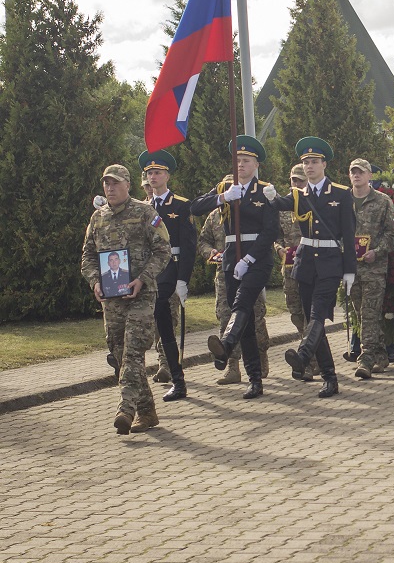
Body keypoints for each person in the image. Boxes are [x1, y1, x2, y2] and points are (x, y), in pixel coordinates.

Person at [81, 164, 172, 434]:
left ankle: (126, 409)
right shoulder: (98, 218)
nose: (110, 188)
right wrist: (95, 281)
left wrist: (143, 278)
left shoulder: (145, 213)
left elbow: (163, 250)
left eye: (115, 183)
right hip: (112, 300)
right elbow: (87, 257)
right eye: (106, 184)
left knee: (133, 351)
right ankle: (147, 411)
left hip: (141, 295)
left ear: (127, 185)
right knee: (120, 355)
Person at [191, 136, 280, 401]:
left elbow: (270, 232)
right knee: (247, 323)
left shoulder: (265, 191)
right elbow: (194, 207)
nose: (240, 165)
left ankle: (227, 344)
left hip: (258, 259)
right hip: (231, 258)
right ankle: (254, 380)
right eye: (237, 160)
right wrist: (222, 197)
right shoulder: (226, 188)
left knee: (242, 305)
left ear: (256, 165)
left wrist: (249, 260)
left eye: (246, 161)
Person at [267, 137, 356, 398]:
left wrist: (350, 270)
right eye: (305, 162)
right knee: (311, 318)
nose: (309, 167)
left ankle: (303, 354)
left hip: (330, 262)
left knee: (318, 315)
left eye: (314, 162)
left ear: (324, 164)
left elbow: (349, 235)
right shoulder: (298, 195)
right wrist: (271, 197)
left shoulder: (340, 193)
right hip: (305, 263)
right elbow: (280, 204)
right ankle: (329, 377)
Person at [138, 150, 197, 403]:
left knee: (163, 320)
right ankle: (175, 379)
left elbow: (189, 245)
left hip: (169, 269)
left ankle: (178, 381)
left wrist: (183, 279)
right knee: (160, 327)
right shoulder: (142, 208)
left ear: (167, 176)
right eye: (149, 173)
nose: (153, 177)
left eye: (157, 172)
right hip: (147, 271)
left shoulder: (181, 205)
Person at [197, 191, 269, 385]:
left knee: (254, 315)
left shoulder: (251, 210)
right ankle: (232, 366)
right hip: (225, 272)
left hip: (250, 268)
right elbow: (203, 241)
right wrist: (209, 252)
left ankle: (260, 354)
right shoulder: (215, 215)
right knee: (225, 315)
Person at [349, 158, 394, 379]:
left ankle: (366, 359)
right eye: (353, 172)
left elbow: (392, 234)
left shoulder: (382, 201)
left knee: (369, 312)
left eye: (361, 172)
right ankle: (380, 354)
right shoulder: (342, 200)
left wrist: (376, 252)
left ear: (370, 175)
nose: (356, 175)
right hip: (350, 267)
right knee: (361, 314)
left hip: (374, 267)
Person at [273, 165, 315, 381]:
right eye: (293, 181)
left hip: (309, 267)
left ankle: (308, 360)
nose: (296, 185)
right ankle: (309, 353)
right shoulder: (283, 207)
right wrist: (279, 248)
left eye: (300, 181)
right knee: (295, 311)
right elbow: (276, 235)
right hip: (289, 269)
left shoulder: (312, 203)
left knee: (311, 314)